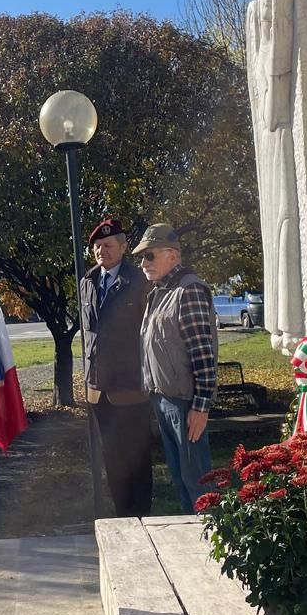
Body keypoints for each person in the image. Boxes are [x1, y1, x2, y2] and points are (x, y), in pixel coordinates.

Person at [134, 223, 217, 513]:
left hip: (185, 403)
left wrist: (201, 406)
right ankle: (192, 534)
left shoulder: (188, 290)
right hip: (163, 399)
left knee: (198, 483)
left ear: (172, 255)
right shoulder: (160, 291)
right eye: (142, 257)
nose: (144, 263)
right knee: (182, 479)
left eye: (150, 256)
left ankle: (210, 534)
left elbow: (203, 353)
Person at [78, 216, 155, 518]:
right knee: (112, 459)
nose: (102, 251)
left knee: (137, 458)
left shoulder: (139, 282)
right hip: (98, 390)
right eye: (97, 246)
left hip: (131, 388)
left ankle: (141, 517)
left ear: (123, 247)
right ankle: (123, 517)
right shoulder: (88, 282)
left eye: (108, 245)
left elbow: (149, 334)